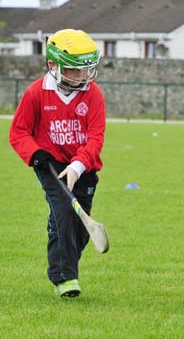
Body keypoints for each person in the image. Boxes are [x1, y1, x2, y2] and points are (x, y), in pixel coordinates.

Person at [9, 29, 106, 298]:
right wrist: (36, 154)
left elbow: (96, 137)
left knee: (79, 230)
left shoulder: (93, 94)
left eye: (86, 70)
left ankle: (60, 239)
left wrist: (77, 166)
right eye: (75, 71)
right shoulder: (36, 93)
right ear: (53, 65)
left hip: (84, 168)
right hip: (49, 164)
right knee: (64, 211)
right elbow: (18, 132)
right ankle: (64, 278)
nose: (82, 77)